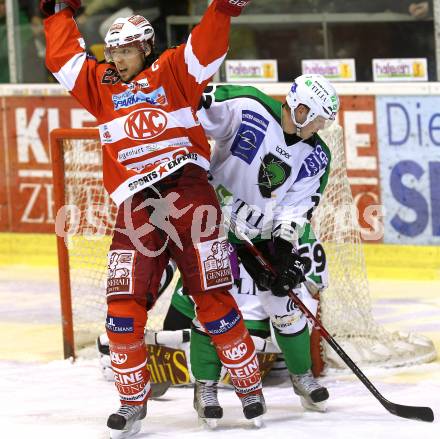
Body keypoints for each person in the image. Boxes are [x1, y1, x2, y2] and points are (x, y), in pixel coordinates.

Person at [40, 0, 266, 437]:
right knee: (121, 310)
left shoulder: (173, 72)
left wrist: (222, 8)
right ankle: (131, 402)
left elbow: (205, 48)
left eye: (125, 51)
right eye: (112, 51)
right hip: (137, 207)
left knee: (214, 299)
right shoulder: (100, 82)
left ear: (146, 48)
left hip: (189, 195)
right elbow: (63, 59)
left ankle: (249, 387)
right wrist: (56, 14)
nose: (116, 59)